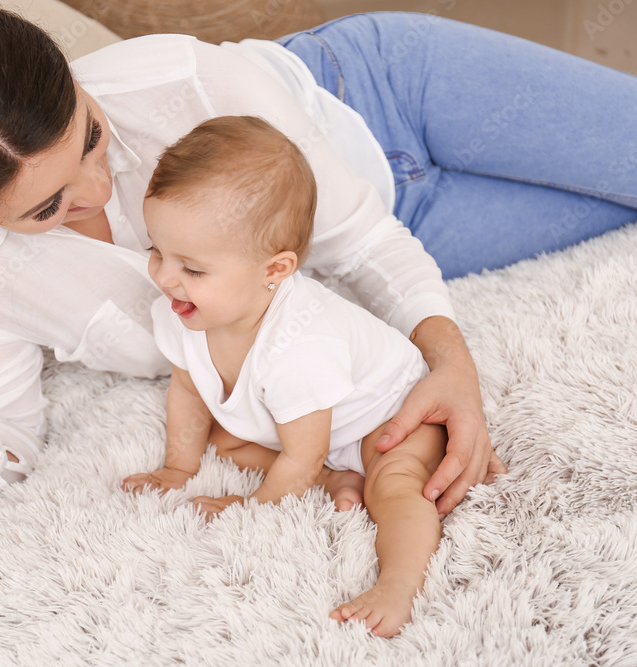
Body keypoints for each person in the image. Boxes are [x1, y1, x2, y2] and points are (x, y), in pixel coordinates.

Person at [0, 5, 637, 511]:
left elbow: (366, 242)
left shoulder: (179, 81)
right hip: (415, 226)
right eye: (48, 205)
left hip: (387, 91)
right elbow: (4, 439)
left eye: (91, 136)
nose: (100, 180)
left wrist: (452, 362)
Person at [122, 115, 447, 636]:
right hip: (314, 429)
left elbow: (302, 450)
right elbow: (187, 387)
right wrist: (177, 469)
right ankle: (336, 480)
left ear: (275, 270)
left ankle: (399, 585)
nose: (163, 277)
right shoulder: (186, 310)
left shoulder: (299, 349)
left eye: (192, 268)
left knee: (395, 486)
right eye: (156, 251)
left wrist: (251, 507)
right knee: (223, 439)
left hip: (391, 417)